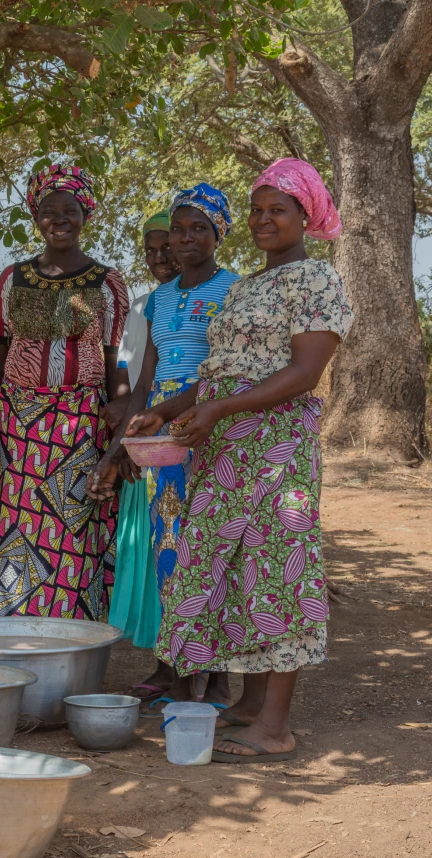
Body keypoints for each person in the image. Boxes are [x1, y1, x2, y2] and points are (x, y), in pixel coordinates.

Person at [127, 158, 352, 762]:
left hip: (277, 448)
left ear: (306, 214)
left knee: (279, 572)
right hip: (226, 450)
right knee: (235, 570)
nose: (263, 220)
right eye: (256, 210)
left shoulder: (316, 279)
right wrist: (163, 411)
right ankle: (250, 705)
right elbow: (219, 373)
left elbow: (304, 373)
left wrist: (221, 408)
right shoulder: (248, 286)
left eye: (278, 209)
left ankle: (274, 727)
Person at [92, 183, 239, 709]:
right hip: (163, 444)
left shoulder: (234, 291)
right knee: (169, 550)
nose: (185, 238)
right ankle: (179, 674)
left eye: (199, 228)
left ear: (219, 234)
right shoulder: (161, 298)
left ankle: (217, 680)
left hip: (212, 433)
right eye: (178, 229)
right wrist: (121, 448)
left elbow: (227, 373)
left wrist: (169, 413)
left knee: (213, 551)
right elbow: (145, 381)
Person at [0, 164, 130, 621]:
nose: (59, 219)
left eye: (70, 210)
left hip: (81, 422)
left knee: (75, 528)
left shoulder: (106, 281)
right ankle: (17, 630)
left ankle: (73, 633)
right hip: (18, 425)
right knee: (18, 524)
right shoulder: (12, 278)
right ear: (36, 217)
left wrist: (118, 427)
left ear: (85, 215)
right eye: (49, 211)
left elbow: (114, 356)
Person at [106, 211, 180, 691]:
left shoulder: (217, 298)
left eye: (166, 247)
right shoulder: (141, 306)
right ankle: (167, 663)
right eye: (150, 250)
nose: (159, 258)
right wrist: (123, 444)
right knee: (154, 551)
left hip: (188, 434)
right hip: (145, 441)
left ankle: (194, 669)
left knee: (183, 548)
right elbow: (129, 376)